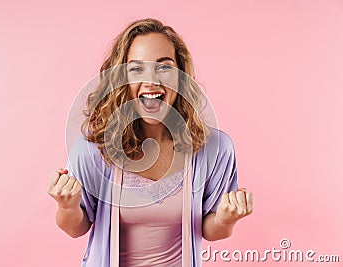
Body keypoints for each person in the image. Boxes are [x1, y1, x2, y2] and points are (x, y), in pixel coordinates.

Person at [47, 18, 254, 267]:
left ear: (181, 77)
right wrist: (67, 206)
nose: (152, 80)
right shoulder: (92, 151)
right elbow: (74, 228)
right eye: (136, 69)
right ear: (121, 79)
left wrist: (225, 219)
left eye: (164, 67)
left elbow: (211, 230)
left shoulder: (214, 149)